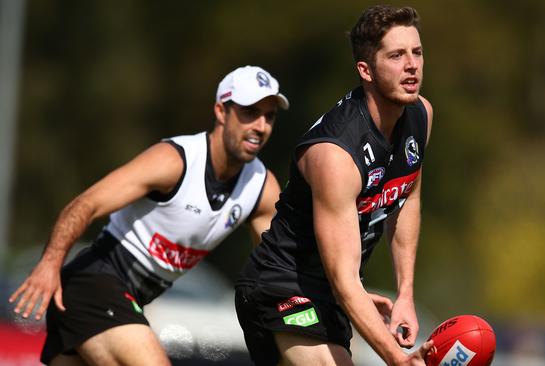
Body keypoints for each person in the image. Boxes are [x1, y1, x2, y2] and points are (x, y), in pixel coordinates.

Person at [8, 65, 289, 366]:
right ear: (221, 111)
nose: (260, 126)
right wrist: (50, 264)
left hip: (123, 303)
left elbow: (276, 266)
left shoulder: (260, 186)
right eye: (249, 112)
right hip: (94, 285)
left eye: (269, 116)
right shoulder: (175, 161)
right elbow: (84, 204)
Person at [234, 5, 434, 366]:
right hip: (281, 285)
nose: (412, 65)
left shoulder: (421, 115)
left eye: (417, 52)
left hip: (328, 290)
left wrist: (405, 293)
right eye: (396, 55)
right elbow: (343, 278)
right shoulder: (335, 154)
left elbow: (407, 197)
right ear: (365, 70)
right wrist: (398, 359)